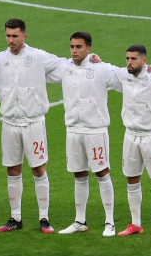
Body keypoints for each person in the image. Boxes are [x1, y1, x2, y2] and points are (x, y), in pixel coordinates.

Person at [0, 19, 63, 234]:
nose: (10, 40)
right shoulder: (0, 59)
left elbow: (63, 64)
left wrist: (91, 61)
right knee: (12, 168)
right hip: (9, 123)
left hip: (33, 123)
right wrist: (2, 92)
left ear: (24, 37)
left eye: (15, 36)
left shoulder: (38, 56)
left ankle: (44, 218)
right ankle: (15, 218)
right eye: (8, 36)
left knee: (38, 169)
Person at [49, 32, 119, 237]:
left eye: (79, 47)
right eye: (72, 46)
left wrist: (148, 70)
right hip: (73, 130)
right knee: (79, 174)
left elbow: (126, 77)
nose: (74, 51)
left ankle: (110, 222)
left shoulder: (101, 68)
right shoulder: (65, 68)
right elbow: (38, 70)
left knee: (102, 173)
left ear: (88, 48)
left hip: (95, 130)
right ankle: (80, 220)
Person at [111, 45, 151, 238]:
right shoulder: (123, 76)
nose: (129, 62)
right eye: (127, 58)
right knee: (131, 178)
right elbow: (104, 68)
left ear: (144, 61)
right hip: (130, 135)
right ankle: (135, 223)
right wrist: (93, 57)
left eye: (133, 59)